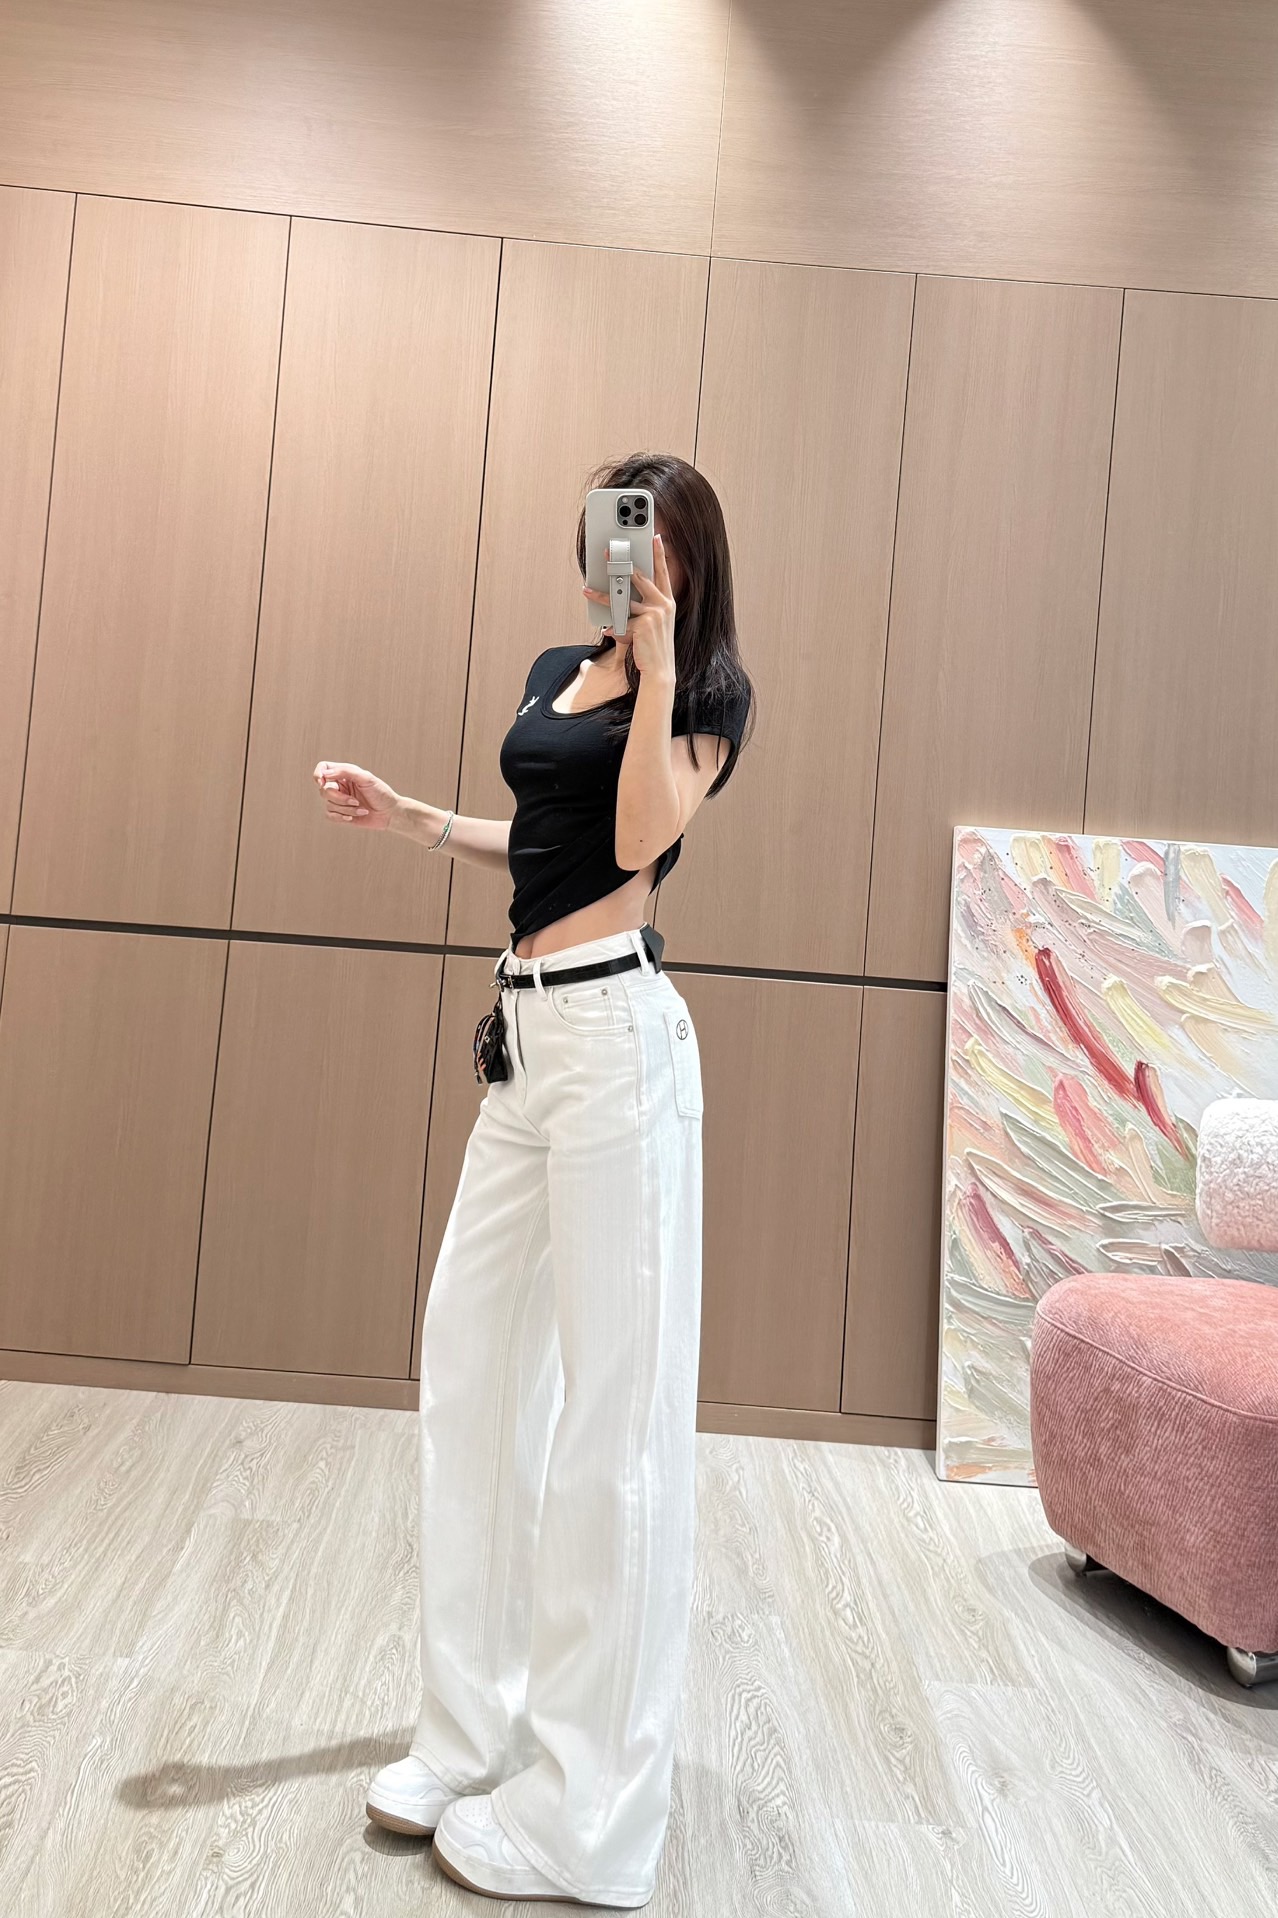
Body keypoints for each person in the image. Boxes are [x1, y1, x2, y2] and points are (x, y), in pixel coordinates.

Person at [312, 452, 753, 1907]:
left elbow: (632, 839)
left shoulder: (707, 696)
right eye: (608, 532)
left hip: (621, 1041)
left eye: (648, 539)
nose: (619, 558)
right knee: (475, 1368)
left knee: (612, 1427)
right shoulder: (556, 669)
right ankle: (472, 1730)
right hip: (529, 1040)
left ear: (687, 558)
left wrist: (657, 657)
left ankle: (590, 1821)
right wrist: (415, 818)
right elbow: (549, 839)